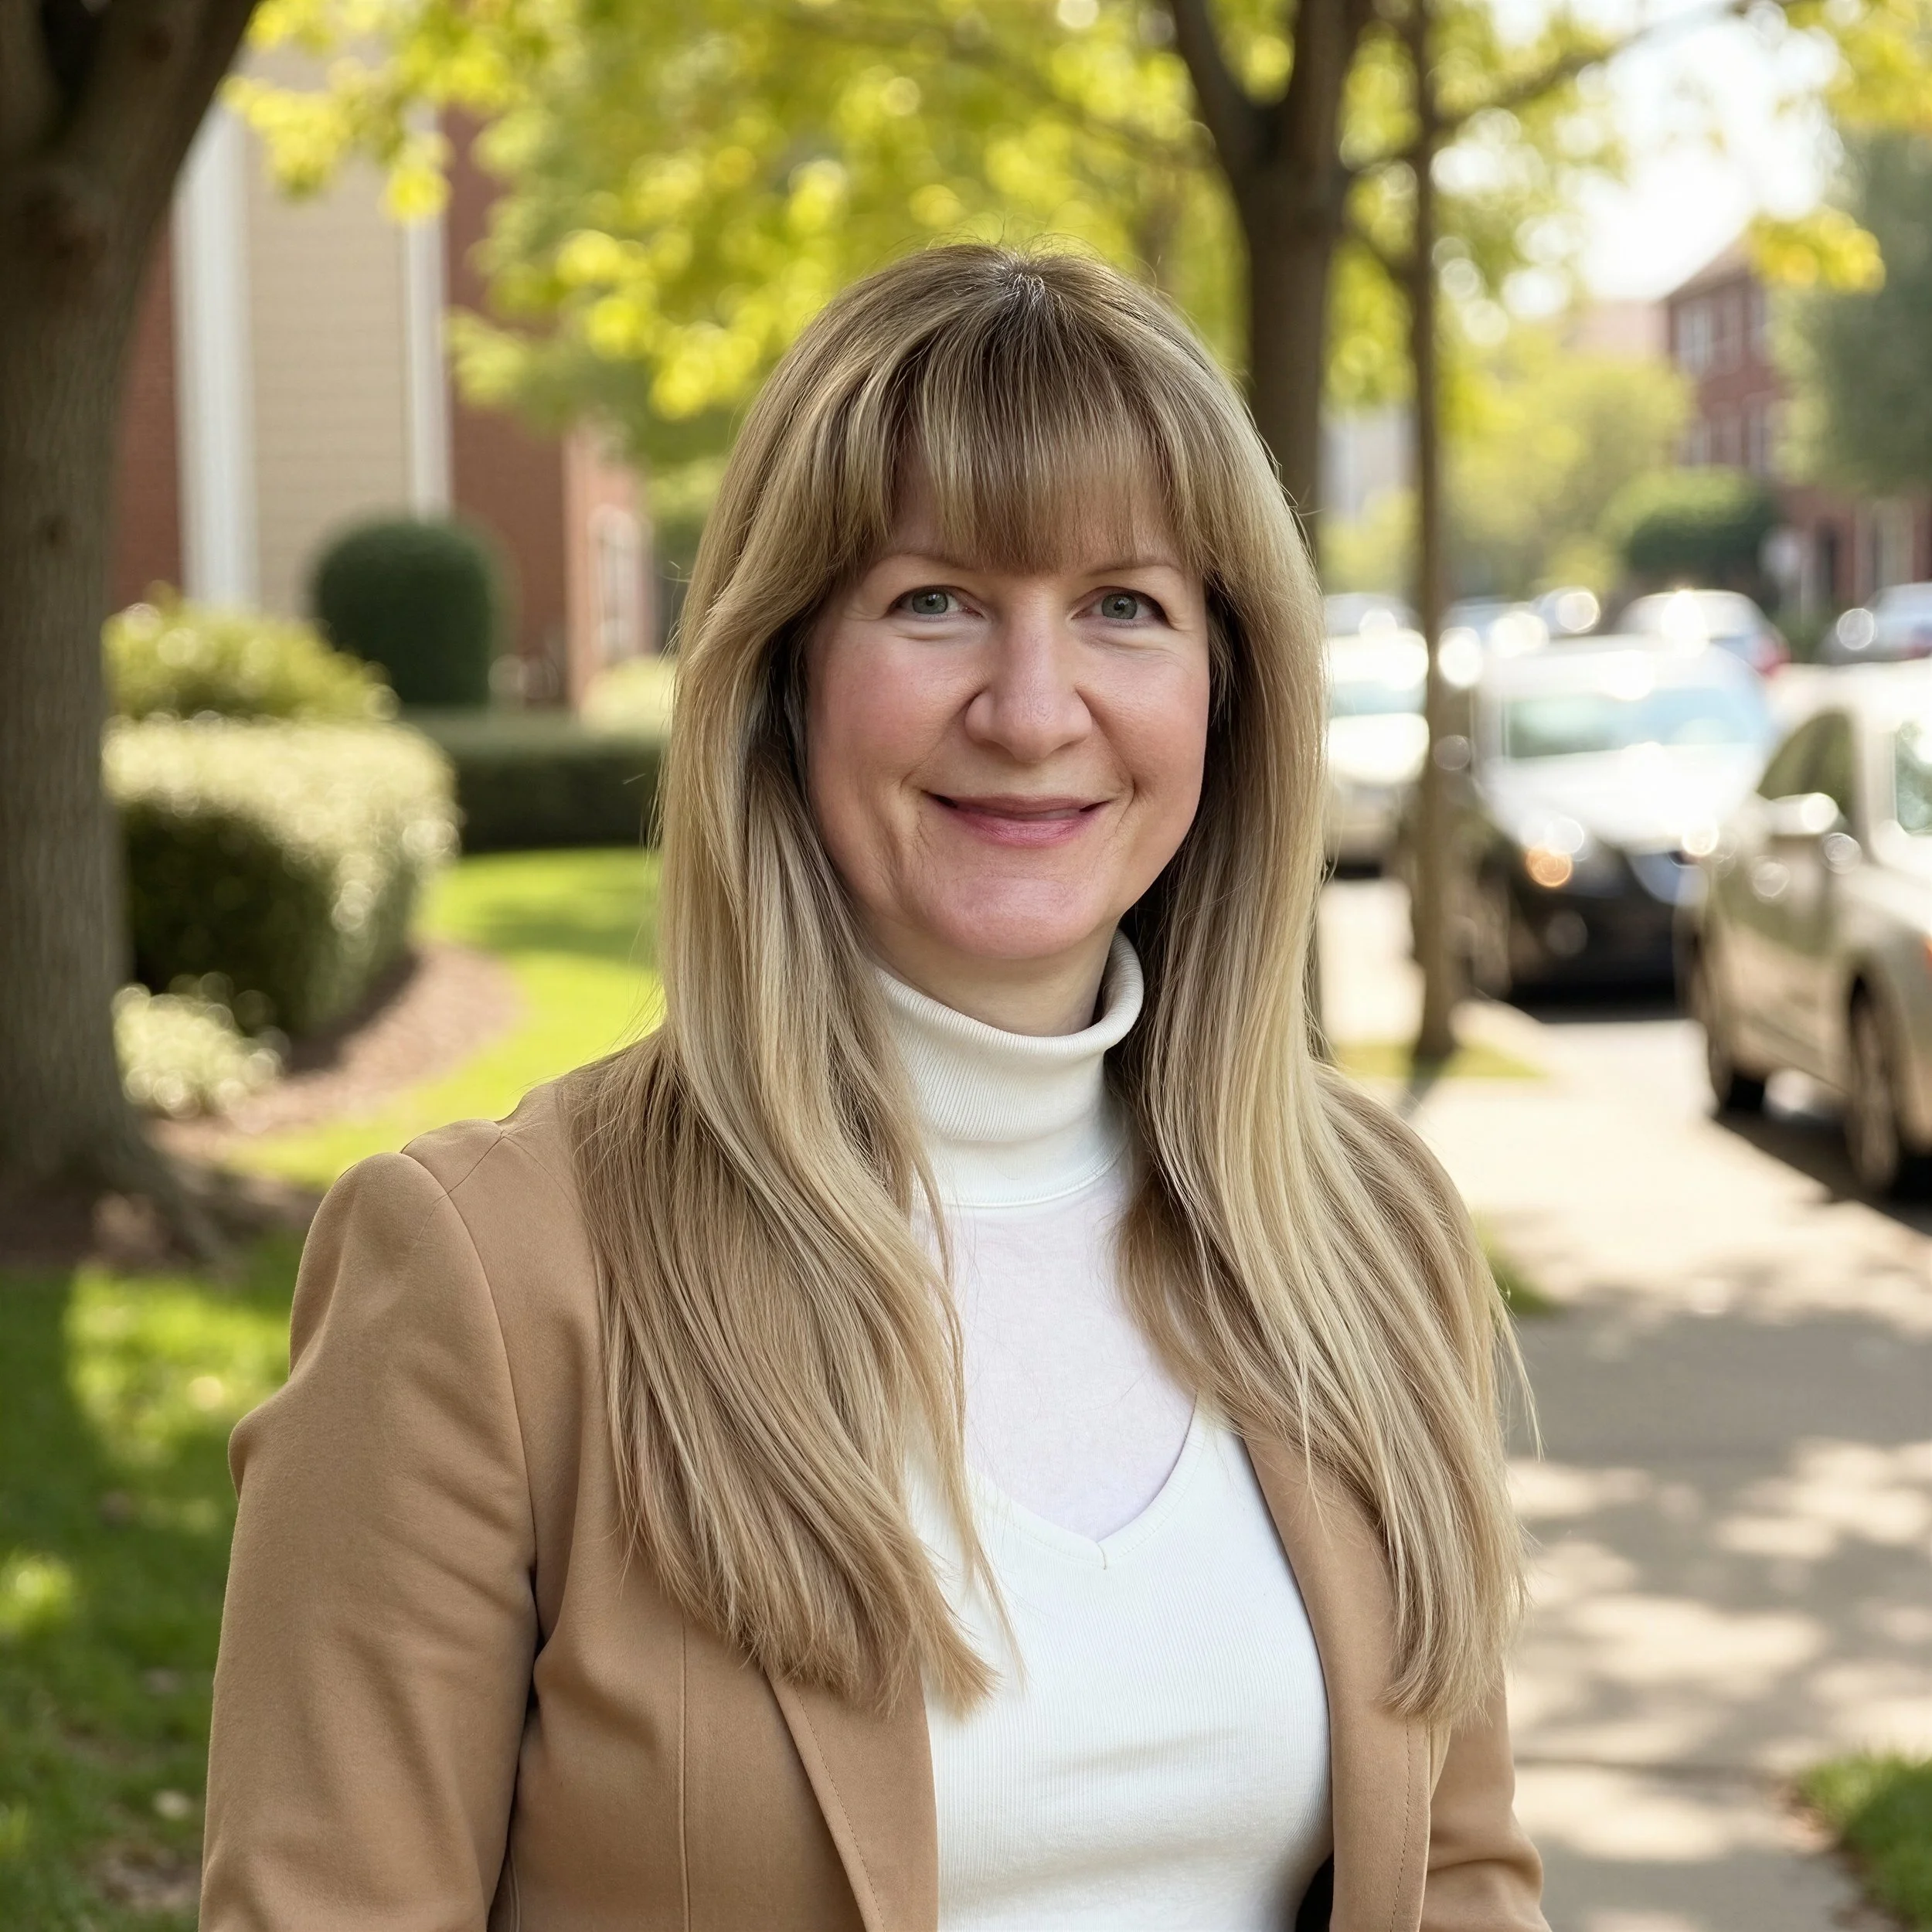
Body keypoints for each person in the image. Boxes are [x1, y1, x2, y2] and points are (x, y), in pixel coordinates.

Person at [201, 243, 1543, 1932]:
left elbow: (1462, 1873)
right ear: (780, 677)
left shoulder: (1365, 1228)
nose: (1032, 706)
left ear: (1228, 688)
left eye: (1122, 605)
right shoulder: (488, 1280)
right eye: (936, 602)